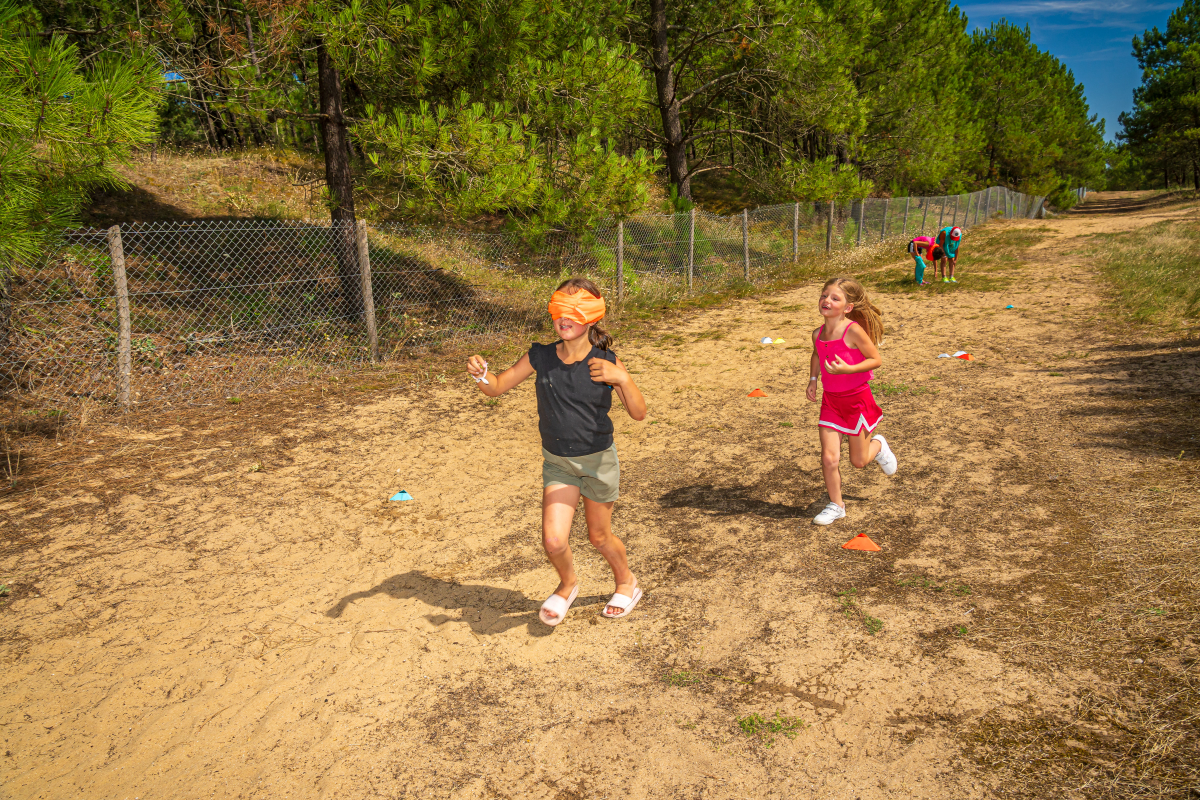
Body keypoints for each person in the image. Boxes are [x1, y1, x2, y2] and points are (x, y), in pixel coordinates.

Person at [466, 278, 648, 626]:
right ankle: (568, 586)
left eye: (574, 312)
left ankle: (627, 581)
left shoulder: (605, 362)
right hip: (559, 465)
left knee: (599, 536)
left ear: (592, 318)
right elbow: (497, 387)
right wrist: (482, 375)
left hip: (597, 463)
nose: (564, 319)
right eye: (558, 312)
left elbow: (638, 413)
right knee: (553, 540)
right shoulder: (542, 356)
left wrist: (622, 378)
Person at [805, 277, 898, 525]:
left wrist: (848, 369)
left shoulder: (853, 330)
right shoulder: (817, 333)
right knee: (829, 458)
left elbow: (875, 359)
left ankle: (878, 445)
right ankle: (836, 505)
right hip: (831, 403)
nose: (827, 300)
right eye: (824, 295)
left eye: (835, 298)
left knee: (858, 461)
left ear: (847, 307)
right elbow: (817, 354)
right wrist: (813, 379)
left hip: (857, 401)